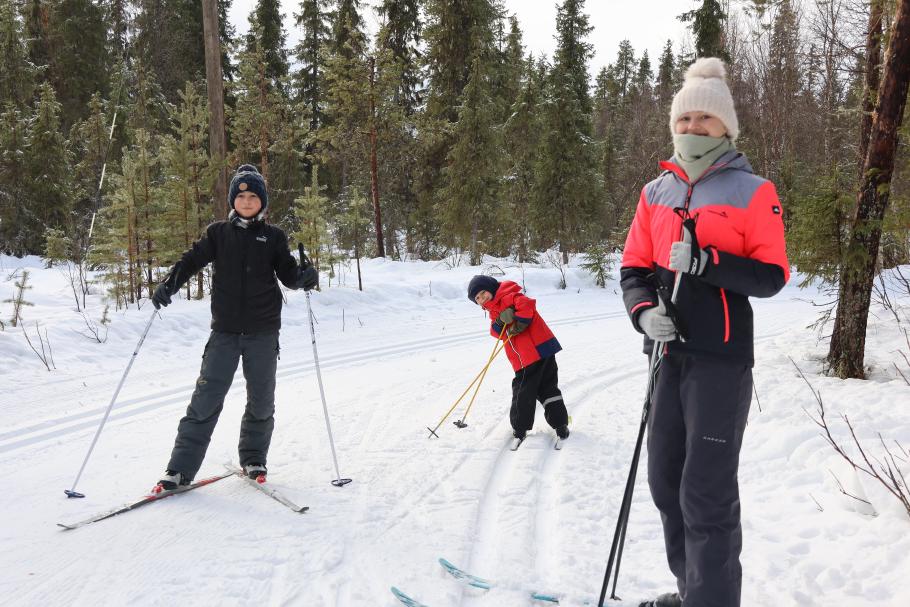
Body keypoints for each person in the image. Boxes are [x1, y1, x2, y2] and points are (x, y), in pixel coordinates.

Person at [619, 58, 789, 607]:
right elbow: (634, 268)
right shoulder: (655, 192)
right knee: (666, 484)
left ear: (726, 128)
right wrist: (644, 311)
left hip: (720, 362)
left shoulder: (754, 190)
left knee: (706, 495)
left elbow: (771, 275)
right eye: (685, 118)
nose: (693, 128)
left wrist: (705, 262)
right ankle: (692, 592)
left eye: (705, 120)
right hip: (666, 356)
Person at [150, 164, 318, 491]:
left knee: (261, 400)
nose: (246, 201)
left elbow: (289, 274)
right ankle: (179, 470)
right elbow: (191, 260)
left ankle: (254, 458)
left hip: (262, 332)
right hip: (224, 332)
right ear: (232, 200)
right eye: (241, 195)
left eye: (253, 195)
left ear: (262, 201)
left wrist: (304, 277)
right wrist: (170, 284)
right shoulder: (218, 234)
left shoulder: (273, 237)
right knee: (205, 399)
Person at [467, 275, 570, 441]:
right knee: (547, 388)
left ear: (492, 288)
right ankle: (560, 424)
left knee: (523, 390)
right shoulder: (494, 310)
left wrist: (520, 320)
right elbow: (496, 332)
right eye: (477, 298)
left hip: (529, 354)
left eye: (483, 292)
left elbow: (527, 305)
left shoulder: (508, 295)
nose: (482, 298)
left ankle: (520, 428)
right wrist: (500, 321)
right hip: (541, 350)